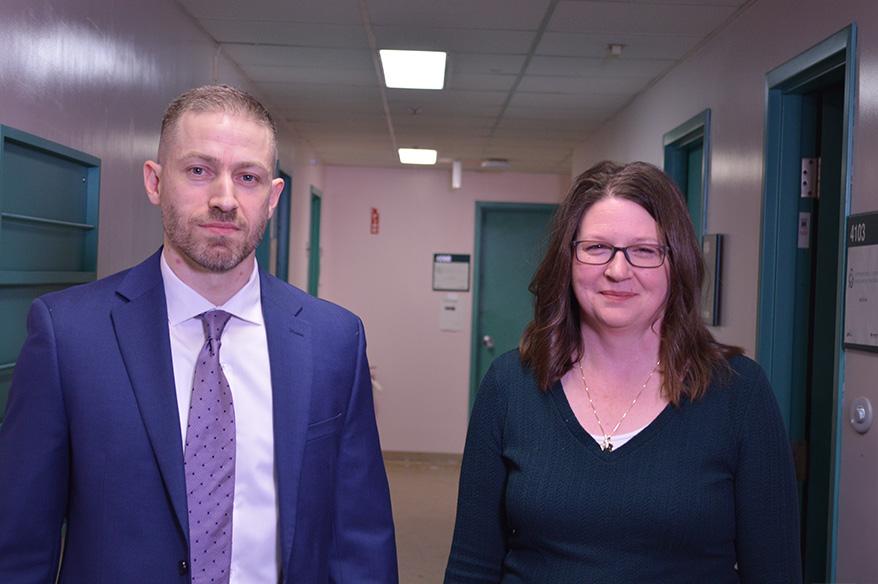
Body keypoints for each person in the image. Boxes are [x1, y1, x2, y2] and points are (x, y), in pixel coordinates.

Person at [0, 85, 398, 583]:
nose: (224, 199)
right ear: (155, 181)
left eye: (247, 177)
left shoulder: (334, 340)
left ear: (273, 198)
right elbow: (18, 544)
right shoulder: (69, 336)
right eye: (198, 170)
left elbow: (361, 537)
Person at [444, 161, 801, 583]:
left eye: (644, 250)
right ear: (568, 258)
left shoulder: (738, 392)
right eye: (596, 248)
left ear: (677, 262)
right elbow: (472, 565)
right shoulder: (510, 384)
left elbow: (775, 569)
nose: (617, 270)